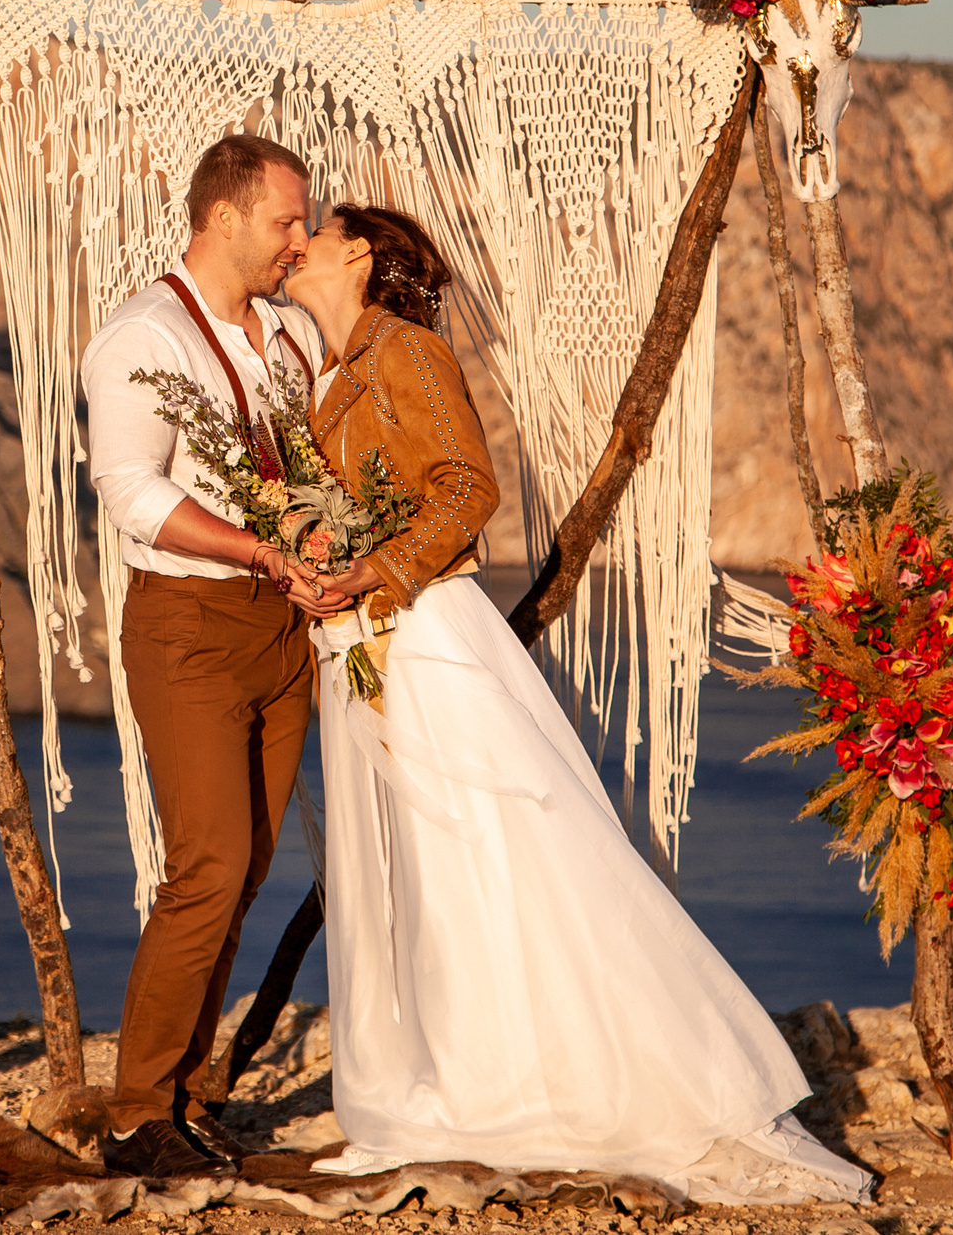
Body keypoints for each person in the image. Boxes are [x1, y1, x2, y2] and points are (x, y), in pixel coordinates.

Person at [279, 203, 874, 1206]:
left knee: (484, 850)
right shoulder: (328, 371)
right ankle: (428, 1079)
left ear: (359, 252)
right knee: (403, 866)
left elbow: (466, 491)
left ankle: (534, 1077)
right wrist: (314, 563)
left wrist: (368, 569)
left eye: (318, 224)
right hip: (363, 640)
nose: (296, 240)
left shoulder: (407, 350)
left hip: (422, 635)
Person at [77, 134, 343, 1178]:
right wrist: (256, 548)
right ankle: (136, 1112)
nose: (298, 238)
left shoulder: (283, 336)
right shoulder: (143, 335)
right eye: (285, 219)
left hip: (285, 628)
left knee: (247, 873)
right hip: (189, 623)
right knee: (208, 867)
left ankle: (190, 1098)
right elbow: (129, 488)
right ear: (222, 216)